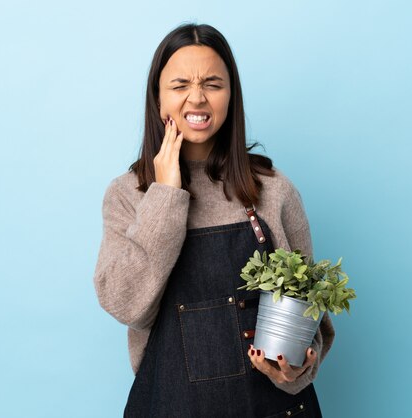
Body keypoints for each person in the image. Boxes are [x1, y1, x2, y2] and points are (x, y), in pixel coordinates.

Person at [93, 23, 335, 417]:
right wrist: (167, 195)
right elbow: (128, 305)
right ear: (158, 99)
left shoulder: (274, 191)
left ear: (231, 96)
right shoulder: (128, 195)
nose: (197, 98)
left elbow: (310, 319)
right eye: (180, 84)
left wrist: (296, 366)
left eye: (213, 84)